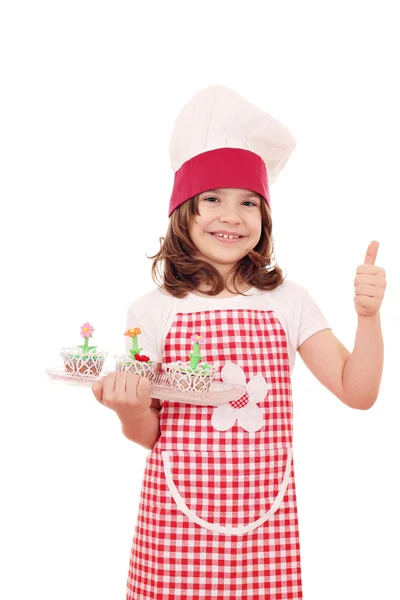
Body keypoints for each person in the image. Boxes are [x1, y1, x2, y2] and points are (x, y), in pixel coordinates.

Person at [91, 85, 386, 599]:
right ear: (183, 210)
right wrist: (127, 411)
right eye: (213, 198)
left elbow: (356, 392)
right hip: (175, 525)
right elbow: (147, 434)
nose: (232, 215)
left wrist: (368, 317)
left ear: (264, 219)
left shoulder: (289, 302)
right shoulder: (151, 311)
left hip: (265, 522)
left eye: (249, 202)